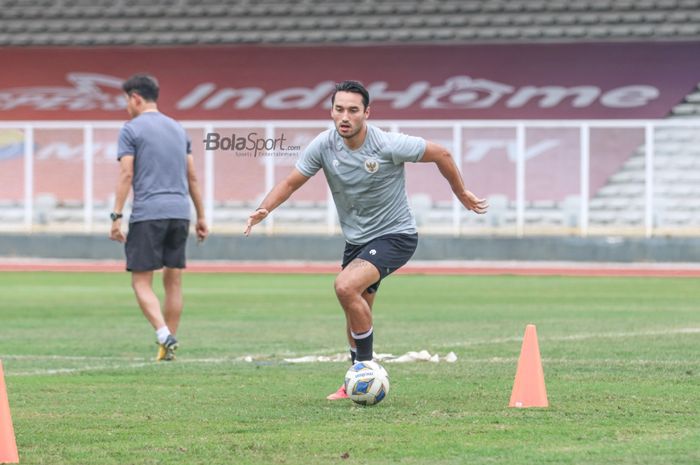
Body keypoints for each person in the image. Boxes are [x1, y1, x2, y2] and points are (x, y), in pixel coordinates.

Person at [244, 80, 487, 399]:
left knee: (345, 286)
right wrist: (264, 208)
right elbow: (291, 182)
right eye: (339, 109)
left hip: (395, 235)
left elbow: (441, 153)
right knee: (355, 306)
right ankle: (355, 379)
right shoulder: (323, 145)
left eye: (353, 110)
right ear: (331, 112)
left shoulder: (387, 144)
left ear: (366, 113)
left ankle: (365, 369)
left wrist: (460, 192)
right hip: (357, 240)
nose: (345, 116)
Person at [109, 74, 208, 361]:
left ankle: (163, 333)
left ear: (136, 98)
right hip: (180, 213)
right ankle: (167, 349)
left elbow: (126, 173)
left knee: (141, 282)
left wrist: (116, 215)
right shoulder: (178, 129)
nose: (126, 106)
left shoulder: (131, 129)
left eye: (127, 100)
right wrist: (201, 216)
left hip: (148, 214)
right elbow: (192, 176)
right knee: (173, 282)